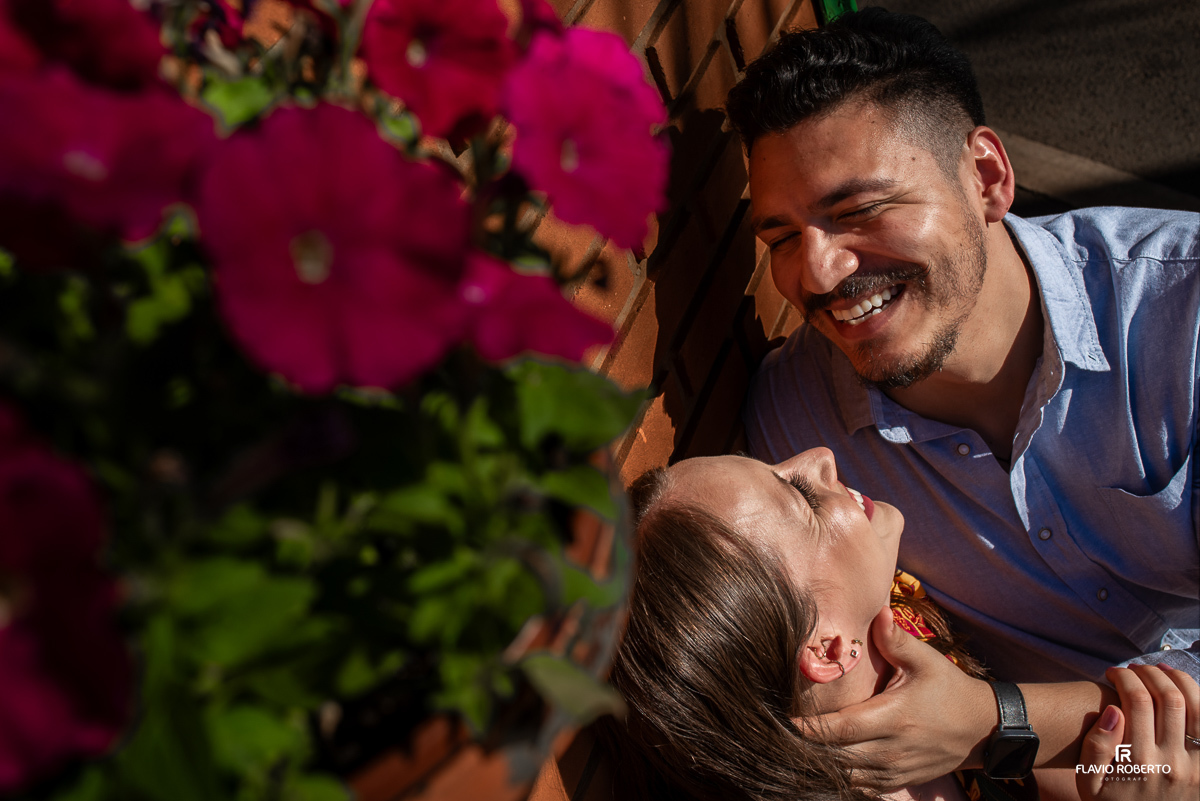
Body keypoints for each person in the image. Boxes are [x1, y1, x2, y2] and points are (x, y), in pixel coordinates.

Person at [723, 6, 1200, 790]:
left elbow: (979, 725)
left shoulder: (1178, 312)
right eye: (780, 238)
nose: (817, 273)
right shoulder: (796, 429)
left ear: (986, 177)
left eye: (858, 211)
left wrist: (994, 718)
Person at [596, 448, 1199, 801]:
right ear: (829, 649)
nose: (819, 458)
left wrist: (990, 723)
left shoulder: (906, 652)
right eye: (799, 497)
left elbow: (1139, 761)